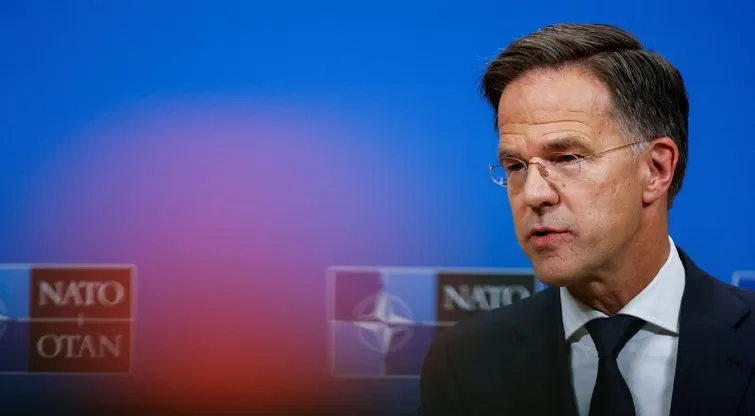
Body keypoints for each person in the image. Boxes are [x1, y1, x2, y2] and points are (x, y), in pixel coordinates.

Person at [417, 23, 755, 416]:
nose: (534, 194)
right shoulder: (466, 362)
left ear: (656, 169)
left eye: (567, 158)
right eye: (516, 166)